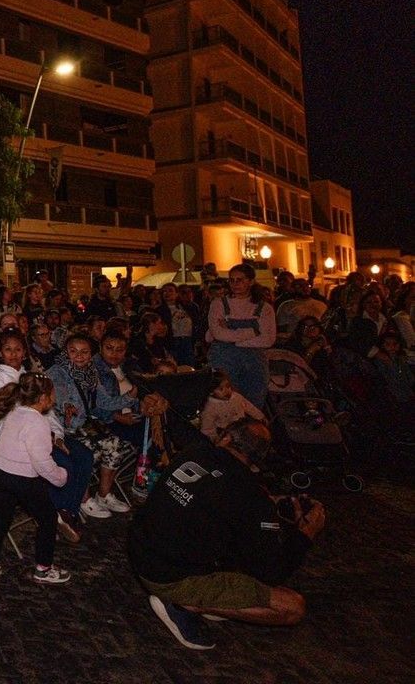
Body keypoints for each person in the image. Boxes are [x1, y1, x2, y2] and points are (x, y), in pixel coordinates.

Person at [128, 418, 325, 650]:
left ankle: (209, 595)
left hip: (141, 547)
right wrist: (306, 533)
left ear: (227, 438)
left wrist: (267, 506)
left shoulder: (196, 450)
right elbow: (272, 571)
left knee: (233, 539)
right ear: (257, 460)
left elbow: (214, 495)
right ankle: (187, 605)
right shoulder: (251, 497)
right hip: (167, 577)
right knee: (292, 607)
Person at [0, 374, 71, 585]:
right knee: (48, 518)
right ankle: (44, 568)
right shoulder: (38, 423)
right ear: (44, 398)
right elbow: (41, 461)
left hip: (0, 474)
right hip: (23, 479)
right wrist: (60, 477)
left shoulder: (13, 413)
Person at [48, 335, 135, 520]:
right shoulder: (57, 372)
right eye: (73, 351)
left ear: (91, 354)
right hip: (61, 429)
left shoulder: (91, 373)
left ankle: (103, 495)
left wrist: (130, 396)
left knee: (115, 444)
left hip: (83, 424)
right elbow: (59, 397)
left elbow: (104, 402)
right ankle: (83, 498)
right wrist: (66, 406)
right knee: (88, 451)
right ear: (66, 352)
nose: (79, 356)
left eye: (84, 352)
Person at [207, 264, 277, 408]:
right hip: (224, 360)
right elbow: (218, 334)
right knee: (225, 404)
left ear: (251, 281)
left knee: (253, 404)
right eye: (232, 280)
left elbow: (268, 339)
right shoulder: (218, 304)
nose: (235, 284)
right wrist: (253, 332)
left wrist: (233, 338)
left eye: (240, 280)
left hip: (254, 363)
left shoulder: (264, 308)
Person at [199, 371, 266, 442]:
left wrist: (260, 416)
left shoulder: (236, 397)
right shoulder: (210, 407)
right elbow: (207, 427)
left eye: (228, 386)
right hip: (227, 434)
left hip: (242, 428)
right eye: (221, 389)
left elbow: (249, 407)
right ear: (211, 392)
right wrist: (213, 439)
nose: (226, 391)